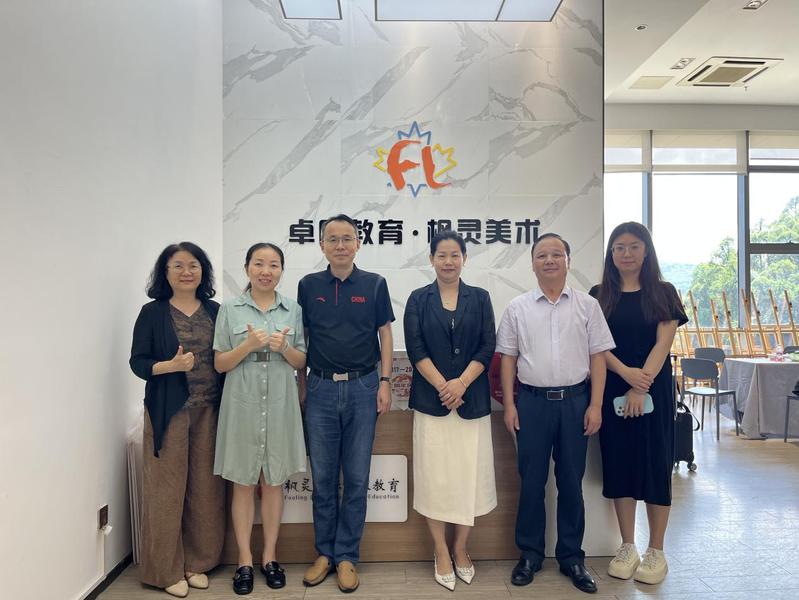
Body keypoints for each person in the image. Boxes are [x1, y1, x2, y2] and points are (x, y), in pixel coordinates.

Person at [496, 233, 615, 594]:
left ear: (568, 261)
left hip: (576, 403)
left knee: (571, 483)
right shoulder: (518, 307)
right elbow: (508, 360)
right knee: (531, 482)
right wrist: (510, 405)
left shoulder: (587, 306)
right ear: (532, 263)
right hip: (531, 403)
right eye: (542, 255)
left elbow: (598, 358)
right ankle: (530, 555)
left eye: (556, 254)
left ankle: (571, 557)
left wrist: (595, 405)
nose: (549, 260)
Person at [297, 214, 394, 593]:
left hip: (363, 387)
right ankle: (324, 553)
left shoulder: (374, 284)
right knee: (322, 479)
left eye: (347, 238)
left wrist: (385, 382)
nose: (340, 245)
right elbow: (302, 338)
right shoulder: (308, 286)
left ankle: (347, 556)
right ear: (322, 245)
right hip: (320, 388)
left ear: (358, 243)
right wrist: (301, 384)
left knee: (355, 478)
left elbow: (385, 334)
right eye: (333, 239)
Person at [589, 222, 688, 585]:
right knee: (620, 464)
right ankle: (627, 545)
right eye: (619, 247)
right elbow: (596, 345)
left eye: (633, 246)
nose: (626, 254)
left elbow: (664, 343)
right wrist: (626, 375)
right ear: (611, 254)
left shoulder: (664, 292)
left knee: (656, 464)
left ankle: (656, 550)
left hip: (654, 390)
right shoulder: (599, 295)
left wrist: (640, 384)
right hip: (612, 386)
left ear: (646, 251)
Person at [129, 242, 225, 598]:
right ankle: (165, 570)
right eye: (178, 266)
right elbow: (137, 361)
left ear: (203, 271)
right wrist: (168, 366)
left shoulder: (215, 311)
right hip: (169, 411)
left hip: (210, 409)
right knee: (166, 490)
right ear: (165, 272)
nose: (187, 272)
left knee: (206, 488)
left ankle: (197, 562)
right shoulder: (152, 313)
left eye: (194, 265)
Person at [404, 230, 497, 591]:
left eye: (454, 255)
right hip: (433, 405)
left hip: (471, 402)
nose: (448, 262)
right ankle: (440, 550)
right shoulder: (418, 299)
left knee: (468, 476)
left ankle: (460, 547)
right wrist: (445, 386)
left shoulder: (481, 297)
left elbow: (487, 345)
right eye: (441, 255)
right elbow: (416, 349)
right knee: (435, 479)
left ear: (464, 259)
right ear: (431, 260)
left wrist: (462, 384)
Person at [213, 243, 307, 595]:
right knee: (242, 483)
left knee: (273, 482)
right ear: (247, 268)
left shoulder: (293, 309)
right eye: (259, 264)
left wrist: (284, 347)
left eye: (273, 264)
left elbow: (301, 361)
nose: (266, 271)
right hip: (242, 401)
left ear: (281, 270)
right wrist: (248, 346)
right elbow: (220, 363)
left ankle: (270, 557)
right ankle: (243, 560)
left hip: (280, 401)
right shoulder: (230, 309)